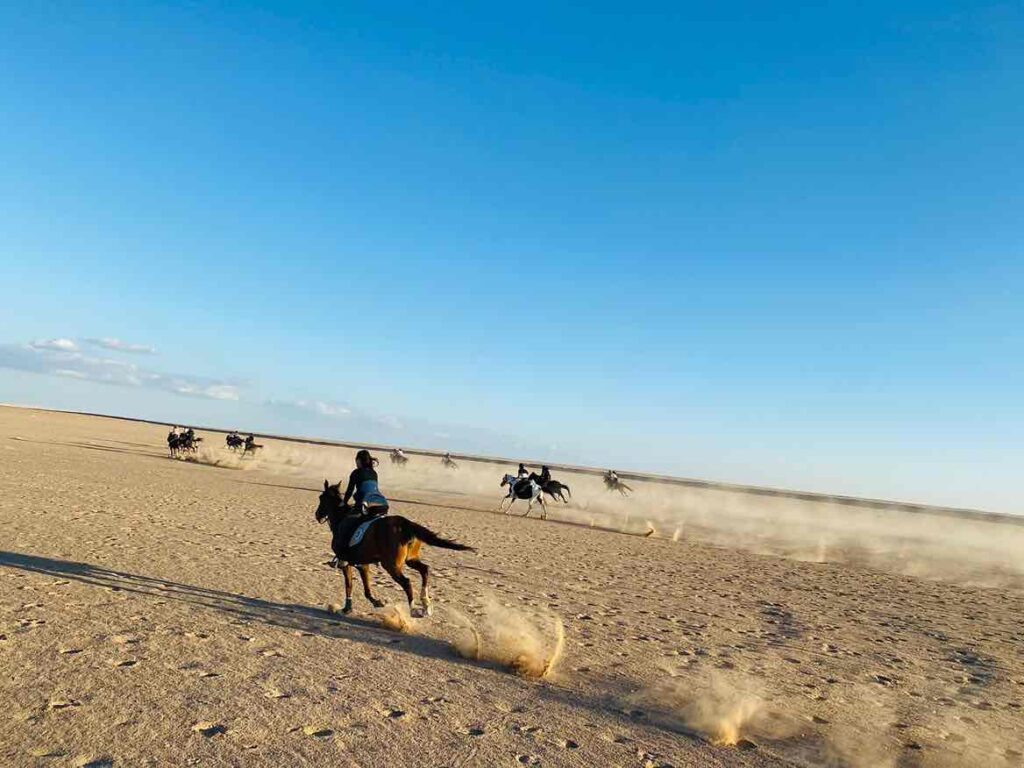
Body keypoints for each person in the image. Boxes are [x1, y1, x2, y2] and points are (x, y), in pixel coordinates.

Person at [343, 449, 389, 516]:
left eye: (356, 460)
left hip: (366, 504)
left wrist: (344, 502)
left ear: (359, 460)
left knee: (346, 522)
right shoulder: (374, 473)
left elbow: (350, 490)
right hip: (382, 503)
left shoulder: (356, 472)